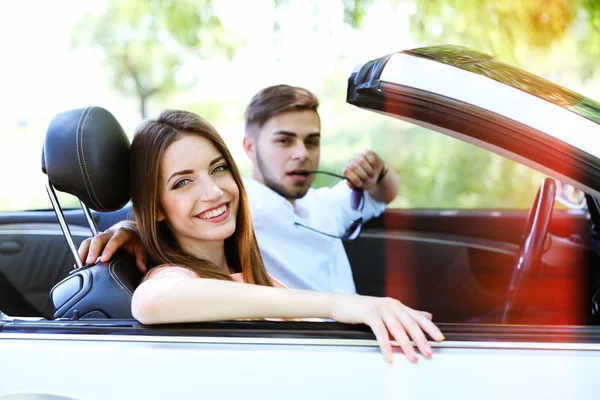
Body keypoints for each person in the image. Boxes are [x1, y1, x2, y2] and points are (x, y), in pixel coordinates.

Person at [120, 109, 444, 363]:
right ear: (155, 207)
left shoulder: (249, 270)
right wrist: (341, 305)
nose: (214, 191)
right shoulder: (175, 278)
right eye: (182, 182)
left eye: (218, 169)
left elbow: (381, 195)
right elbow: (151, 301)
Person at [80, 85, 399, 294]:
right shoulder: (244, 202)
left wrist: (378, 172)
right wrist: (133, 228)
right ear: (249, 148)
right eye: (284, 141)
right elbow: (185, 209)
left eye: (311, 141)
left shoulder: (323, 205)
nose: (301, 153)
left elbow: (382, 194)